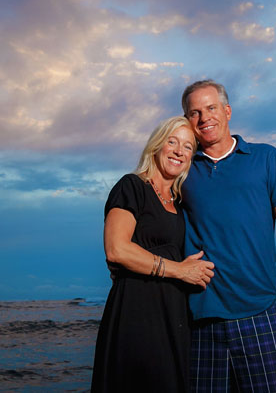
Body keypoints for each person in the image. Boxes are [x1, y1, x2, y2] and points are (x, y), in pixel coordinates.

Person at [181, 79, 276, 392]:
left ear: (227, 111)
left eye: (211, 108)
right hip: (201, 322)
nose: (204, 117)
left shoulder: (266, 158)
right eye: (195, 112)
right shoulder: (181, 170)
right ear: (187, 120)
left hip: (263, 315)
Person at [91, 116, 215, 393]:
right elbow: (116, 249)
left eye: (187, 146)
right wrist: (180, 270)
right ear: (157, 145)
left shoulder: (181, 204)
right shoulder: (132, 186)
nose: (179, 151)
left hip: (173, 315)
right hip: (136, 312)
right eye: (172, 142)